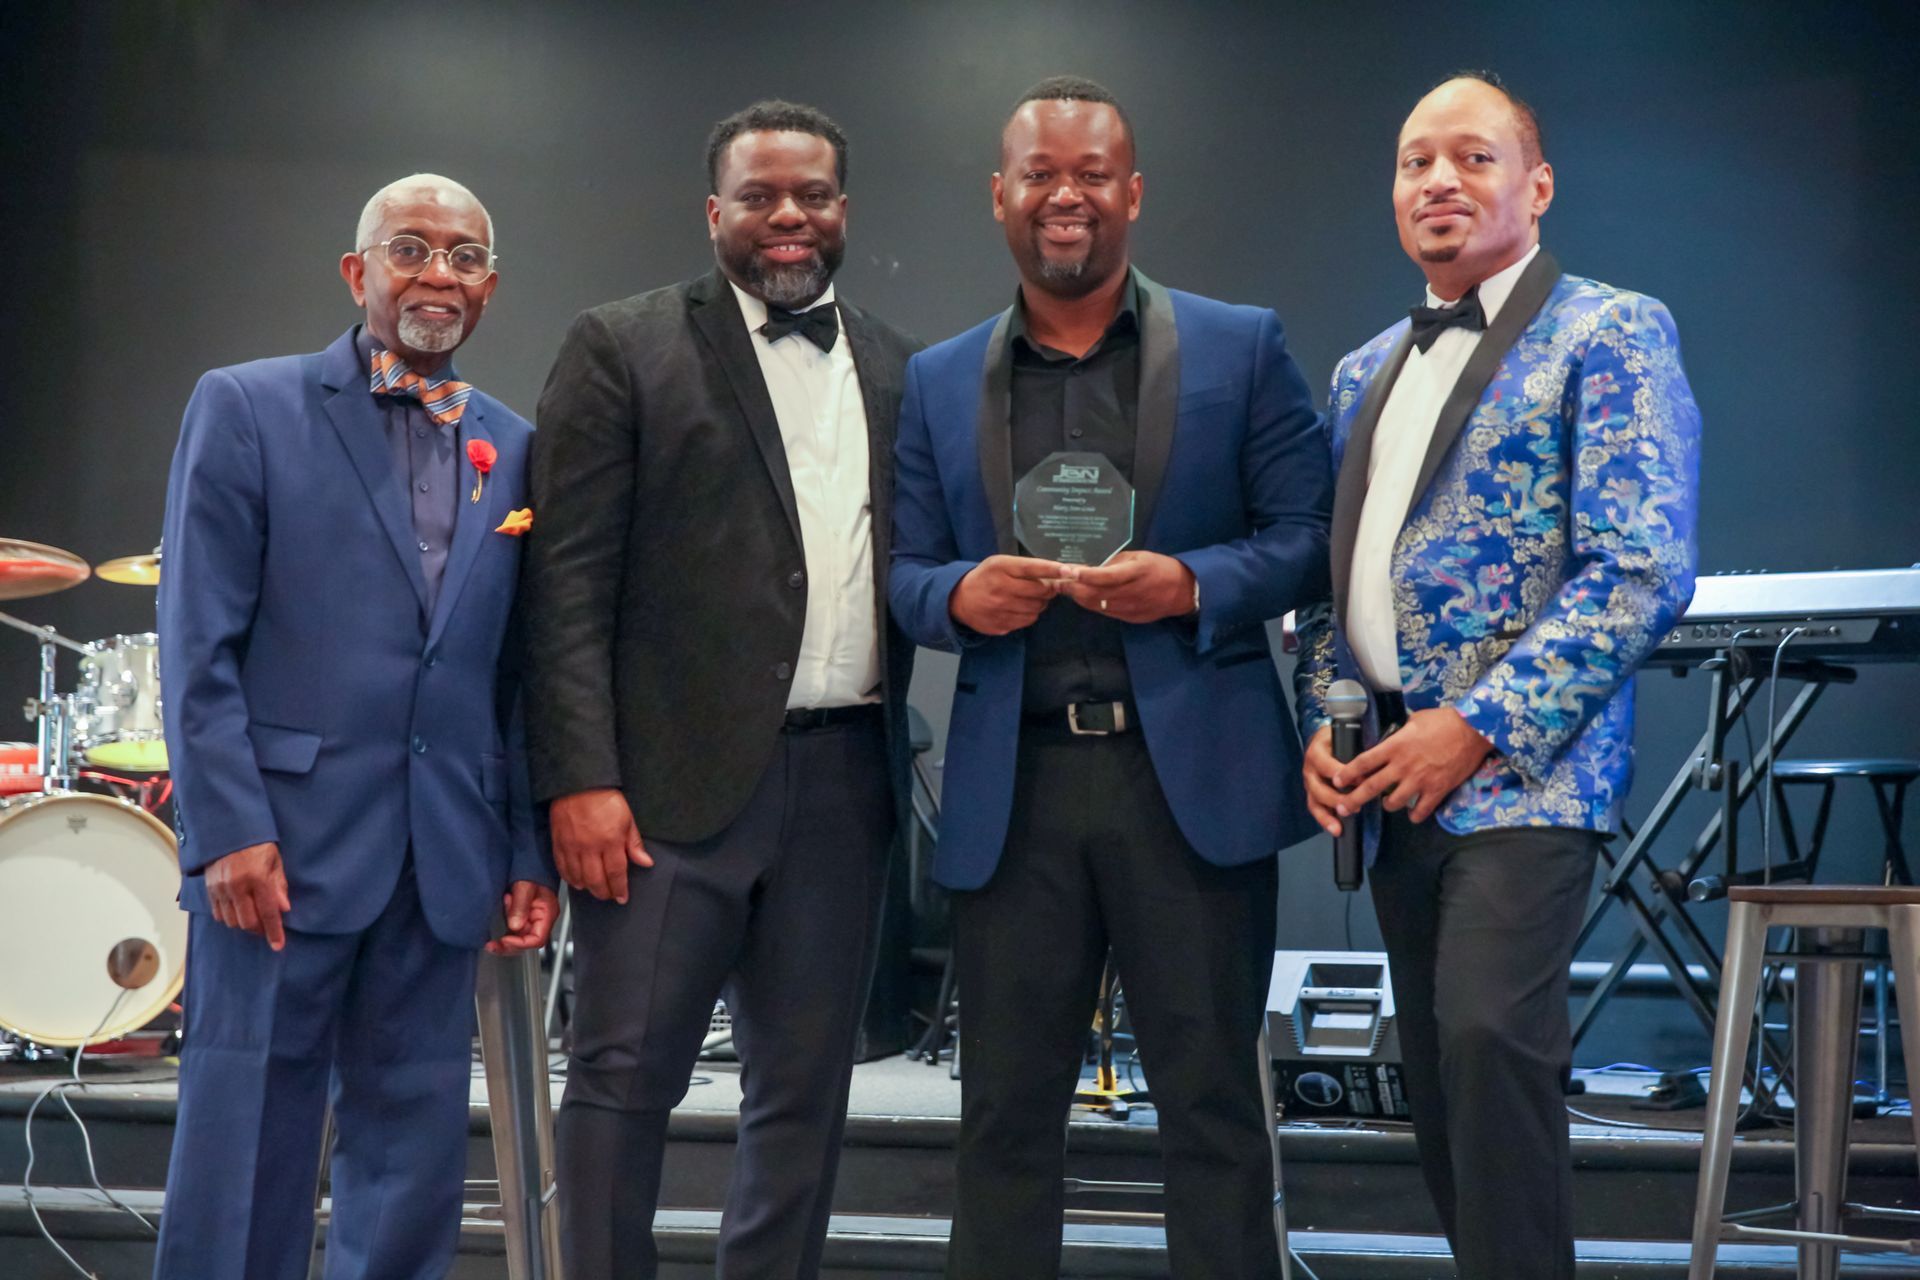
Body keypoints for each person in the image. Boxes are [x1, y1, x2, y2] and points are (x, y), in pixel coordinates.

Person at [889, 76, 1332, 1279]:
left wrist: (1192, 582)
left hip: (1190, 779)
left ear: (1132, 192)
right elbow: (906, 571)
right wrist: (957, 598)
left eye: (1091, 173)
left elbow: (1309, 537)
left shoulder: (1241, 344)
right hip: (1016, 788)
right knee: (1003, 1119)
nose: (1065, 194)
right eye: (1040, 173)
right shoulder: (938, 378)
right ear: (1000, 195)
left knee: (1213, 1108)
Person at [1295, 72, 1701, 1279]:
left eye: (1474, 157)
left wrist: (1474, 723)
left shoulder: (1611, 329)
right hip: (1387, 775)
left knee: (1486, 1043)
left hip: (1526, 776)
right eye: (1417, 160)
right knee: (1436, 1076)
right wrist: (1324, 716)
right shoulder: (1363, 368)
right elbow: (1331, 580)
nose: (1440, 180)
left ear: (1539, 184)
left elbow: (1640, 568)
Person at [522, 100, 920, 1279]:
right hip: (660, 795)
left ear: (843, 209)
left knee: (805, 1091)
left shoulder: (900, 364)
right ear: (714, 213)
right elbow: (563, 585)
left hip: (845, 783)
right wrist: (581, 778)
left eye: (811, 195)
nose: (787, 215)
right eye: (759, 196)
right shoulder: (621, 344)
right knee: (620, 1077)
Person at [153, 173, 556, 1280]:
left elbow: (519, 673)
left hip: (442, 855)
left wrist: (524, 847)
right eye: (410, 248)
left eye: (464, 256)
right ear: (356, 271)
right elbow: (197, 641)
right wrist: (227, 828)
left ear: (490, 285)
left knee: (413, 1154)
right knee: (247, 1140)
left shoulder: (516, 447)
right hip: (276, 851)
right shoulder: (245, 406)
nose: (438, 274)